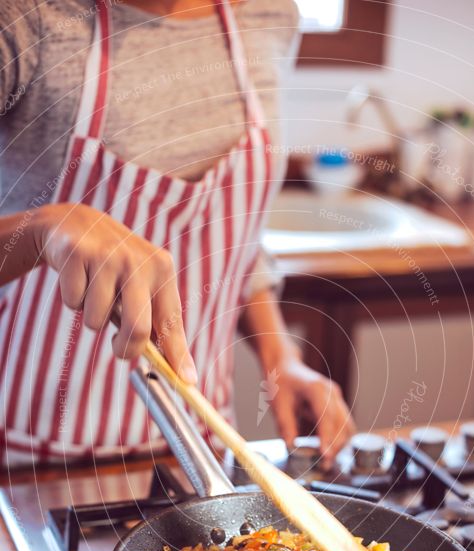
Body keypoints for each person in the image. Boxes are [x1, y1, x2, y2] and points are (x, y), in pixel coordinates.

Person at [0, 0, 354, 468]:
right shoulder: (29, 18)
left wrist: (278, 353)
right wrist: (42, 229)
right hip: (29, 459)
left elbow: (232, 237)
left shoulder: (268, 16)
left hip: (198, 453)